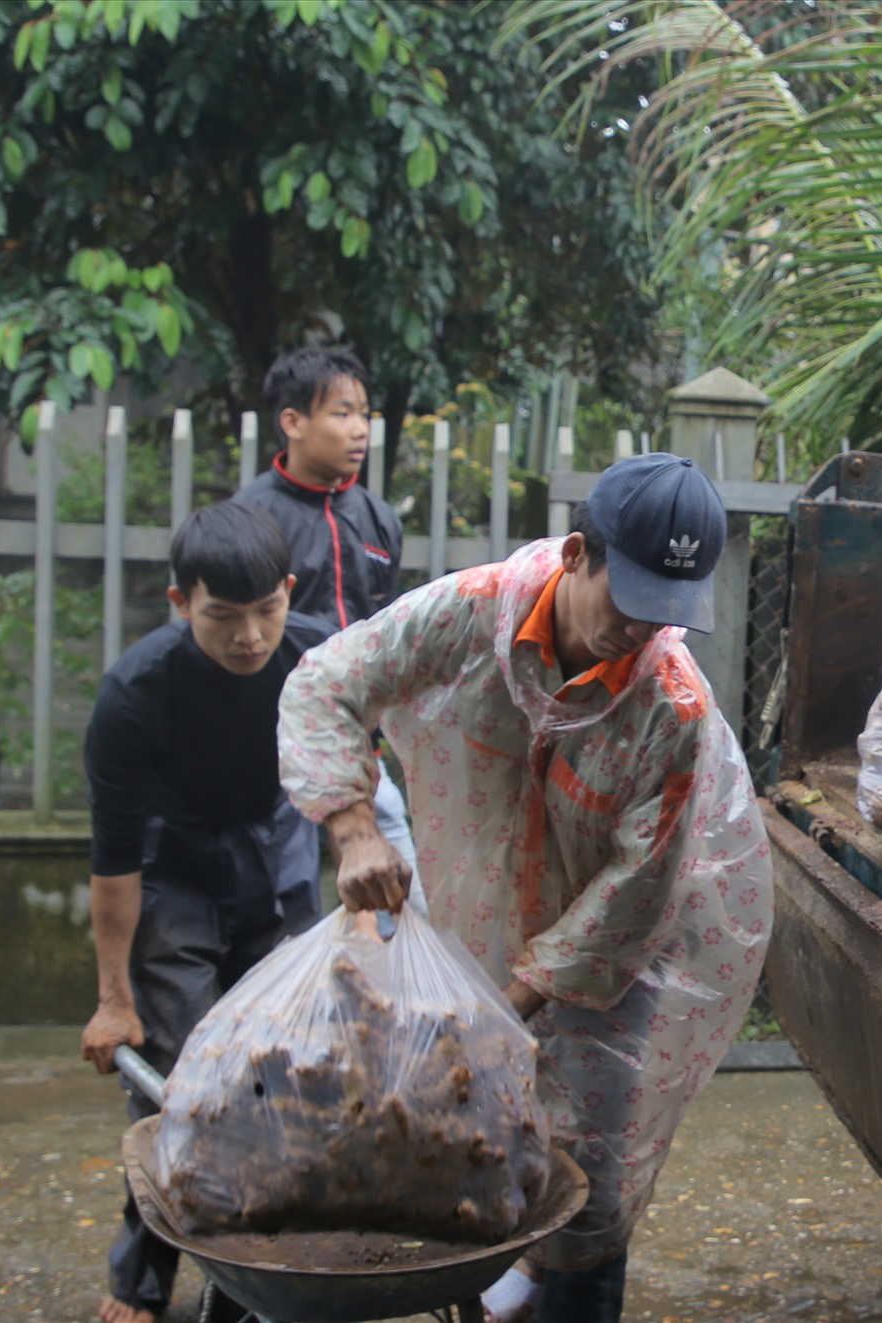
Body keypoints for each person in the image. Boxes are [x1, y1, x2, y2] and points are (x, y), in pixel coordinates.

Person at [277, 453, 772, 1323]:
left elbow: (634, 894)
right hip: (481, 914)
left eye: (668, 608)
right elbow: (325, 685)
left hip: (612, 961)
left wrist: (505, 1007)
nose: (641, 630)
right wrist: (353, 827)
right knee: (472, 1142)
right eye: (629, 598)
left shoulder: (672, 710)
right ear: (578, 552)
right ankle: (508, 1287)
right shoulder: (468, 616)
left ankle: (563, 1288)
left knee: (589, 1186)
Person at [80, 503, 331, 1323]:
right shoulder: (134, 695)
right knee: (182, 1081)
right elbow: (114, 865)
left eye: (266, 608)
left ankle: (255, 1272)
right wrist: (115, 997)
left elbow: (359, 769)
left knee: (283, 1070)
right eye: (224, 615)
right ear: (180, 602)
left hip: (278, 852)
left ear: (289, 590)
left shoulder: (318, 658)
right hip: (174, 868)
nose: (251, 635)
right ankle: (144, 1279)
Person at [234, 346, 420, 877]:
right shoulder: (253, 517)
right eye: (342, 413)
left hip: (358, 741)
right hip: (270, 744)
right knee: (283, 892)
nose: (359, 429)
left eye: (364, 414)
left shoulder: (377, 518)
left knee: (399, 889)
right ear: (292, 421)